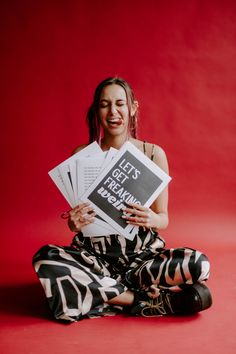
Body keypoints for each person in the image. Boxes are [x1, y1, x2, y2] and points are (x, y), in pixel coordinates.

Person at [33, 77, 212, 322]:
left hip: (142, 261)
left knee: (199, 263)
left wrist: (152, 218)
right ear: (97, 110)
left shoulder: (153, 154)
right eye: (105, 104)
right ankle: (142, 301)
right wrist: (73, 223)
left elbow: (164, 218)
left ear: (133, 108)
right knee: (46, 258)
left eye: (120, 103)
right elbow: (77, 220)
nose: (113, 111)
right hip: (94, 259)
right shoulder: (80, 156)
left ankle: (102, 291)